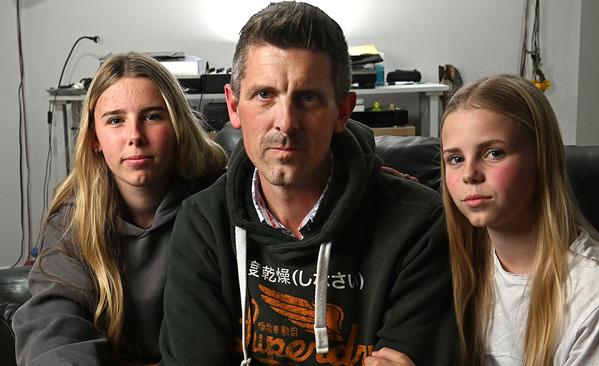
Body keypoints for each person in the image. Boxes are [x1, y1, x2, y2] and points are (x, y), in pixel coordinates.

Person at [159, 2, 455, 365]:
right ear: (234, 107)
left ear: (343, 111)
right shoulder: (203, 223)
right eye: (265, 95)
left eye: (308, 98)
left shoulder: (419, 227)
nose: (285, 122)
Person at [12, 52, 228, 365]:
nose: (135, 137)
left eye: (152, 116)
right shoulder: (73, 220)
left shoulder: (219, 201)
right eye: (115, 120)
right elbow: (53, 327)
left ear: (178, 125)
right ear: (95, 139)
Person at [440, 74, 599, 365]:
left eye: (494, 153)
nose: (469, 174)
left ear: (541, 158)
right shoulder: (456, 261)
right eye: (456, 159)